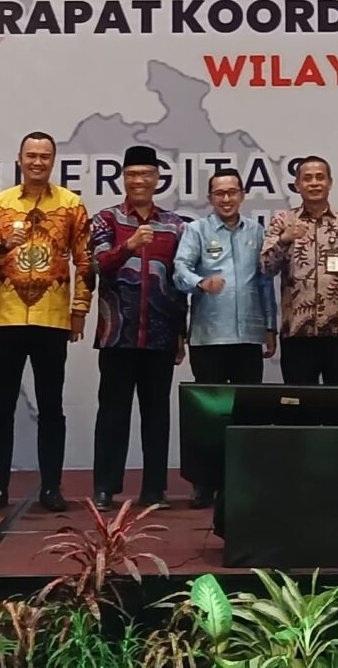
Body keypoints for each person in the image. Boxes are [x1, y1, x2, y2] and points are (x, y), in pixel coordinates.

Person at [0, 130, 91, 514]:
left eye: (44, 156)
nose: (37, 162)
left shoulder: (71, 204)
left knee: (51, 406)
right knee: (1, 407)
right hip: (6, 317)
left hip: (52, 318)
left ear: (53, 161)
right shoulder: (0, 203)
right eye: (31, 156)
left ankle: (51, 487)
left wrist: (79, 310)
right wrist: (3, 246)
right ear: (20, 159)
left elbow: (85, 261)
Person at [90, 146, 192, 509]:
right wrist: (129, 246)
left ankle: (154, 489)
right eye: (132, 175)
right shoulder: (107, 219)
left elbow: (180, 284)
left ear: (157, 179)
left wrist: (181, 333)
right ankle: (105, 487)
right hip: (117, 333)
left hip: (160, 335)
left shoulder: (176, 225)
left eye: (146, 174)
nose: (139, 181)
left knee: (157, 415)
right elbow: (98, 265)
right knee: (112, 414)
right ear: (123, 179)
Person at [173, 167, 275, 509]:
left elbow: (264, 283)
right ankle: (205, 483)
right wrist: (200, 283)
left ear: (242, 195)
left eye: (232, 192)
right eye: (219, 193)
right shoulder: (196, 230)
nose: (226, 199)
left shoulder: (256, 231)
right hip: (209, 337)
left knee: (248, 413)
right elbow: (179, 271)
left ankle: (245, 479)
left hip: (248, 336)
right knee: (209, 417)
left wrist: (270, 326)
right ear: (210, 198)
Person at [261, 155, 338, 386]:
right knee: (300, 404)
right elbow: (266, 268)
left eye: (320, 177)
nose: (314, 183)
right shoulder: (283, 221)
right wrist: (284, 240)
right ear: (297, 185)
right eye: (307, 178)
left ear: (330, 182)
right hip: (297, 334)